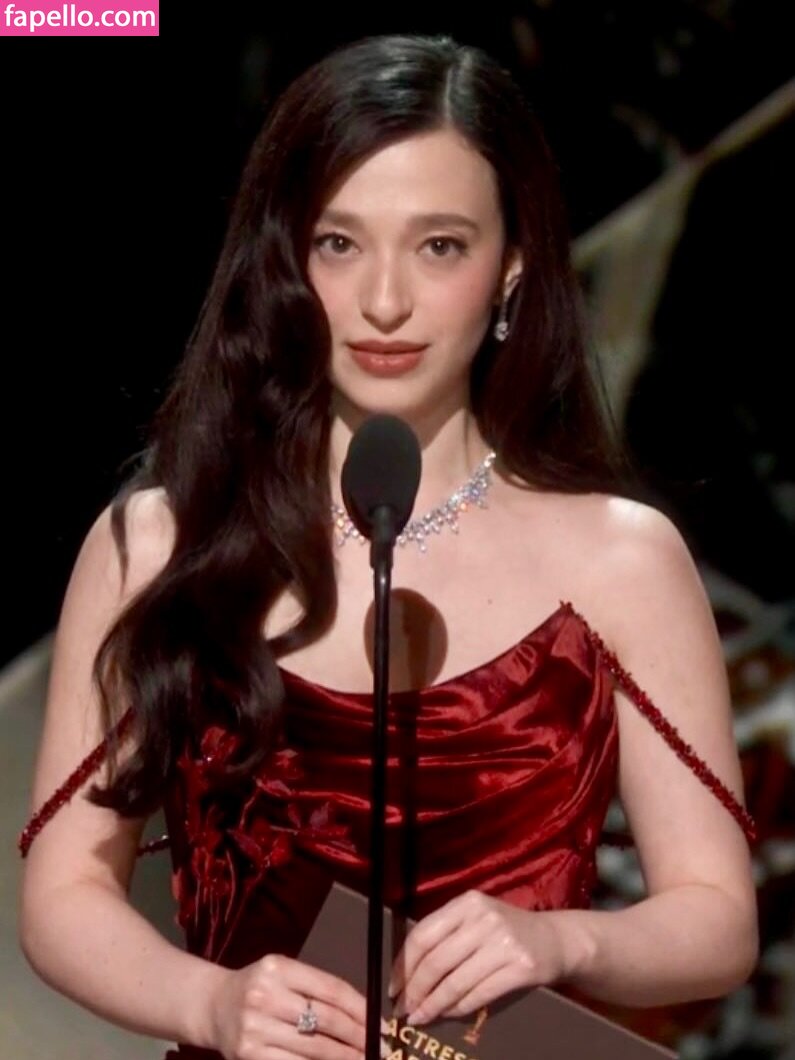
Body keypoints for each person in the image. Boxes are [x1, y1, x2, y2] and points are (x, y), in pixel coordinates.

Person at [18, 32, 758, 1060]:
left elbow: (715, 919)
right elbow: (64, 892)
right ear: (285, 258)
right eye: (338, 243)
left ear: (512, 265)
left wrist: (562, 939)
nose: (383, 301)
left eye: (439, 246)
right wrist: (209, 1004)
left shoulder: (620, 559)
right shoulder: (160, 544)